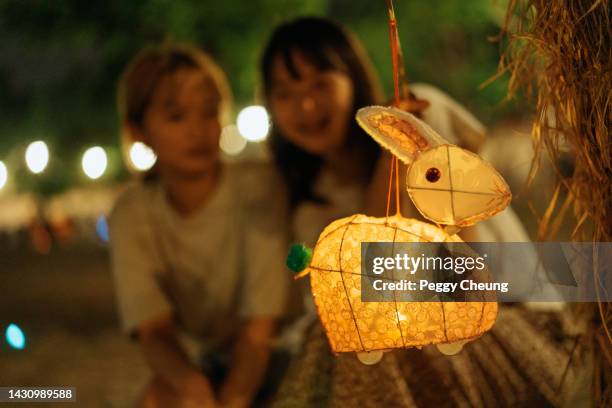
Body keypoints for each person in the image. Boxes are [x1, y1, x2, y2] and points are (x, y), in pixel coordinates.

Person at [110, 42, 292, 408]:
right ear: (138, 131)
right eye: (177, 116)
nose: (198, 130)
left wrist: (232, 399)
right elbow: (153, 330)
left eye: (209, 112)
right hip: (215, 361)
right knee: (158, 397)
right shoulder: (132, 212)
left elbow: (260, 331)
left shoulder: (258, 187)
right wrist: (189, 384)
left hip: (287, 352)